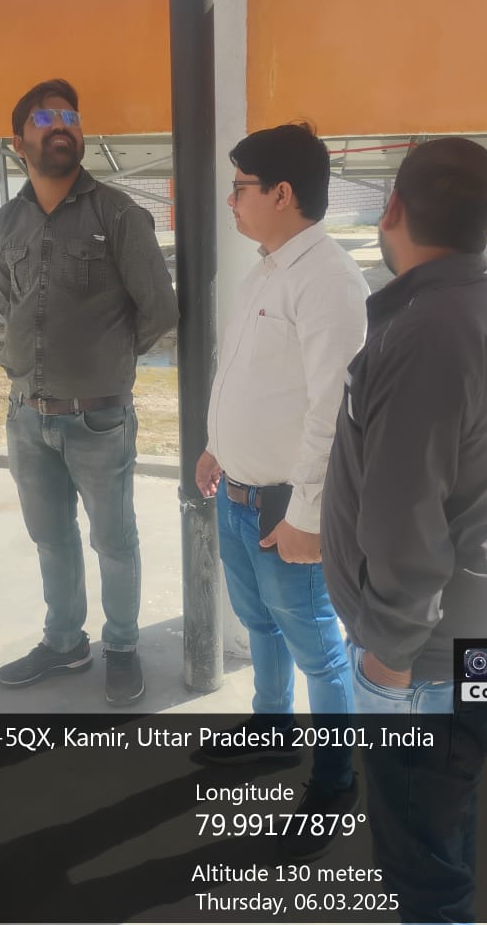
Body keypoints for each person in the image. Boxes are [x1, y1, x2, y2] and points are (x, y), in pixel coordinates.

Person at [320, 137, 487, 921]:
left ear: (392, 210)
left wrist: (386, 655)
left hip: (425, 655)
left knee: (420, 871)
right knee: (441, 833)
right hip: (463, 633)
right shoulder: (482, 305)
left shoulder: (425, 332)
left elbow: (405, 520)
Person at [194, 122, 369, 857]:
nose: (231, 200)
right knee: (260, 624)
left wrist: (308, 516)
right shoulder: (266, 271)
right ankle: (270, 730)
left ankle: (336, 780)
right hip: (238, 494)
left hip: (283, 511)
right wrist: (217, 445)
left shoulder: (329, 281)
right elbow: (246, 374)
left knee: (318, 650)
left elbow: (336, 413)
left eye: (240, 187)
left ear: (282, 193)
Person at [0, 78, 178, 706]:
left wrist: (105, 365)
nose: (61, 125)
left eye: (69, 116)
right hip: (26, 417)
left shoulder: (117, 215)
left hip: (99, 420)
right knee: (51, 538)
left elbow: (158, 309)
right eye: (45, 119)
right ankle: (65, 643)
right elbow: (10, 308)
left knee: (114, 543)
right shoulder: (5, 224)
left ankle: (121, 647)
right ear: (19, 143)